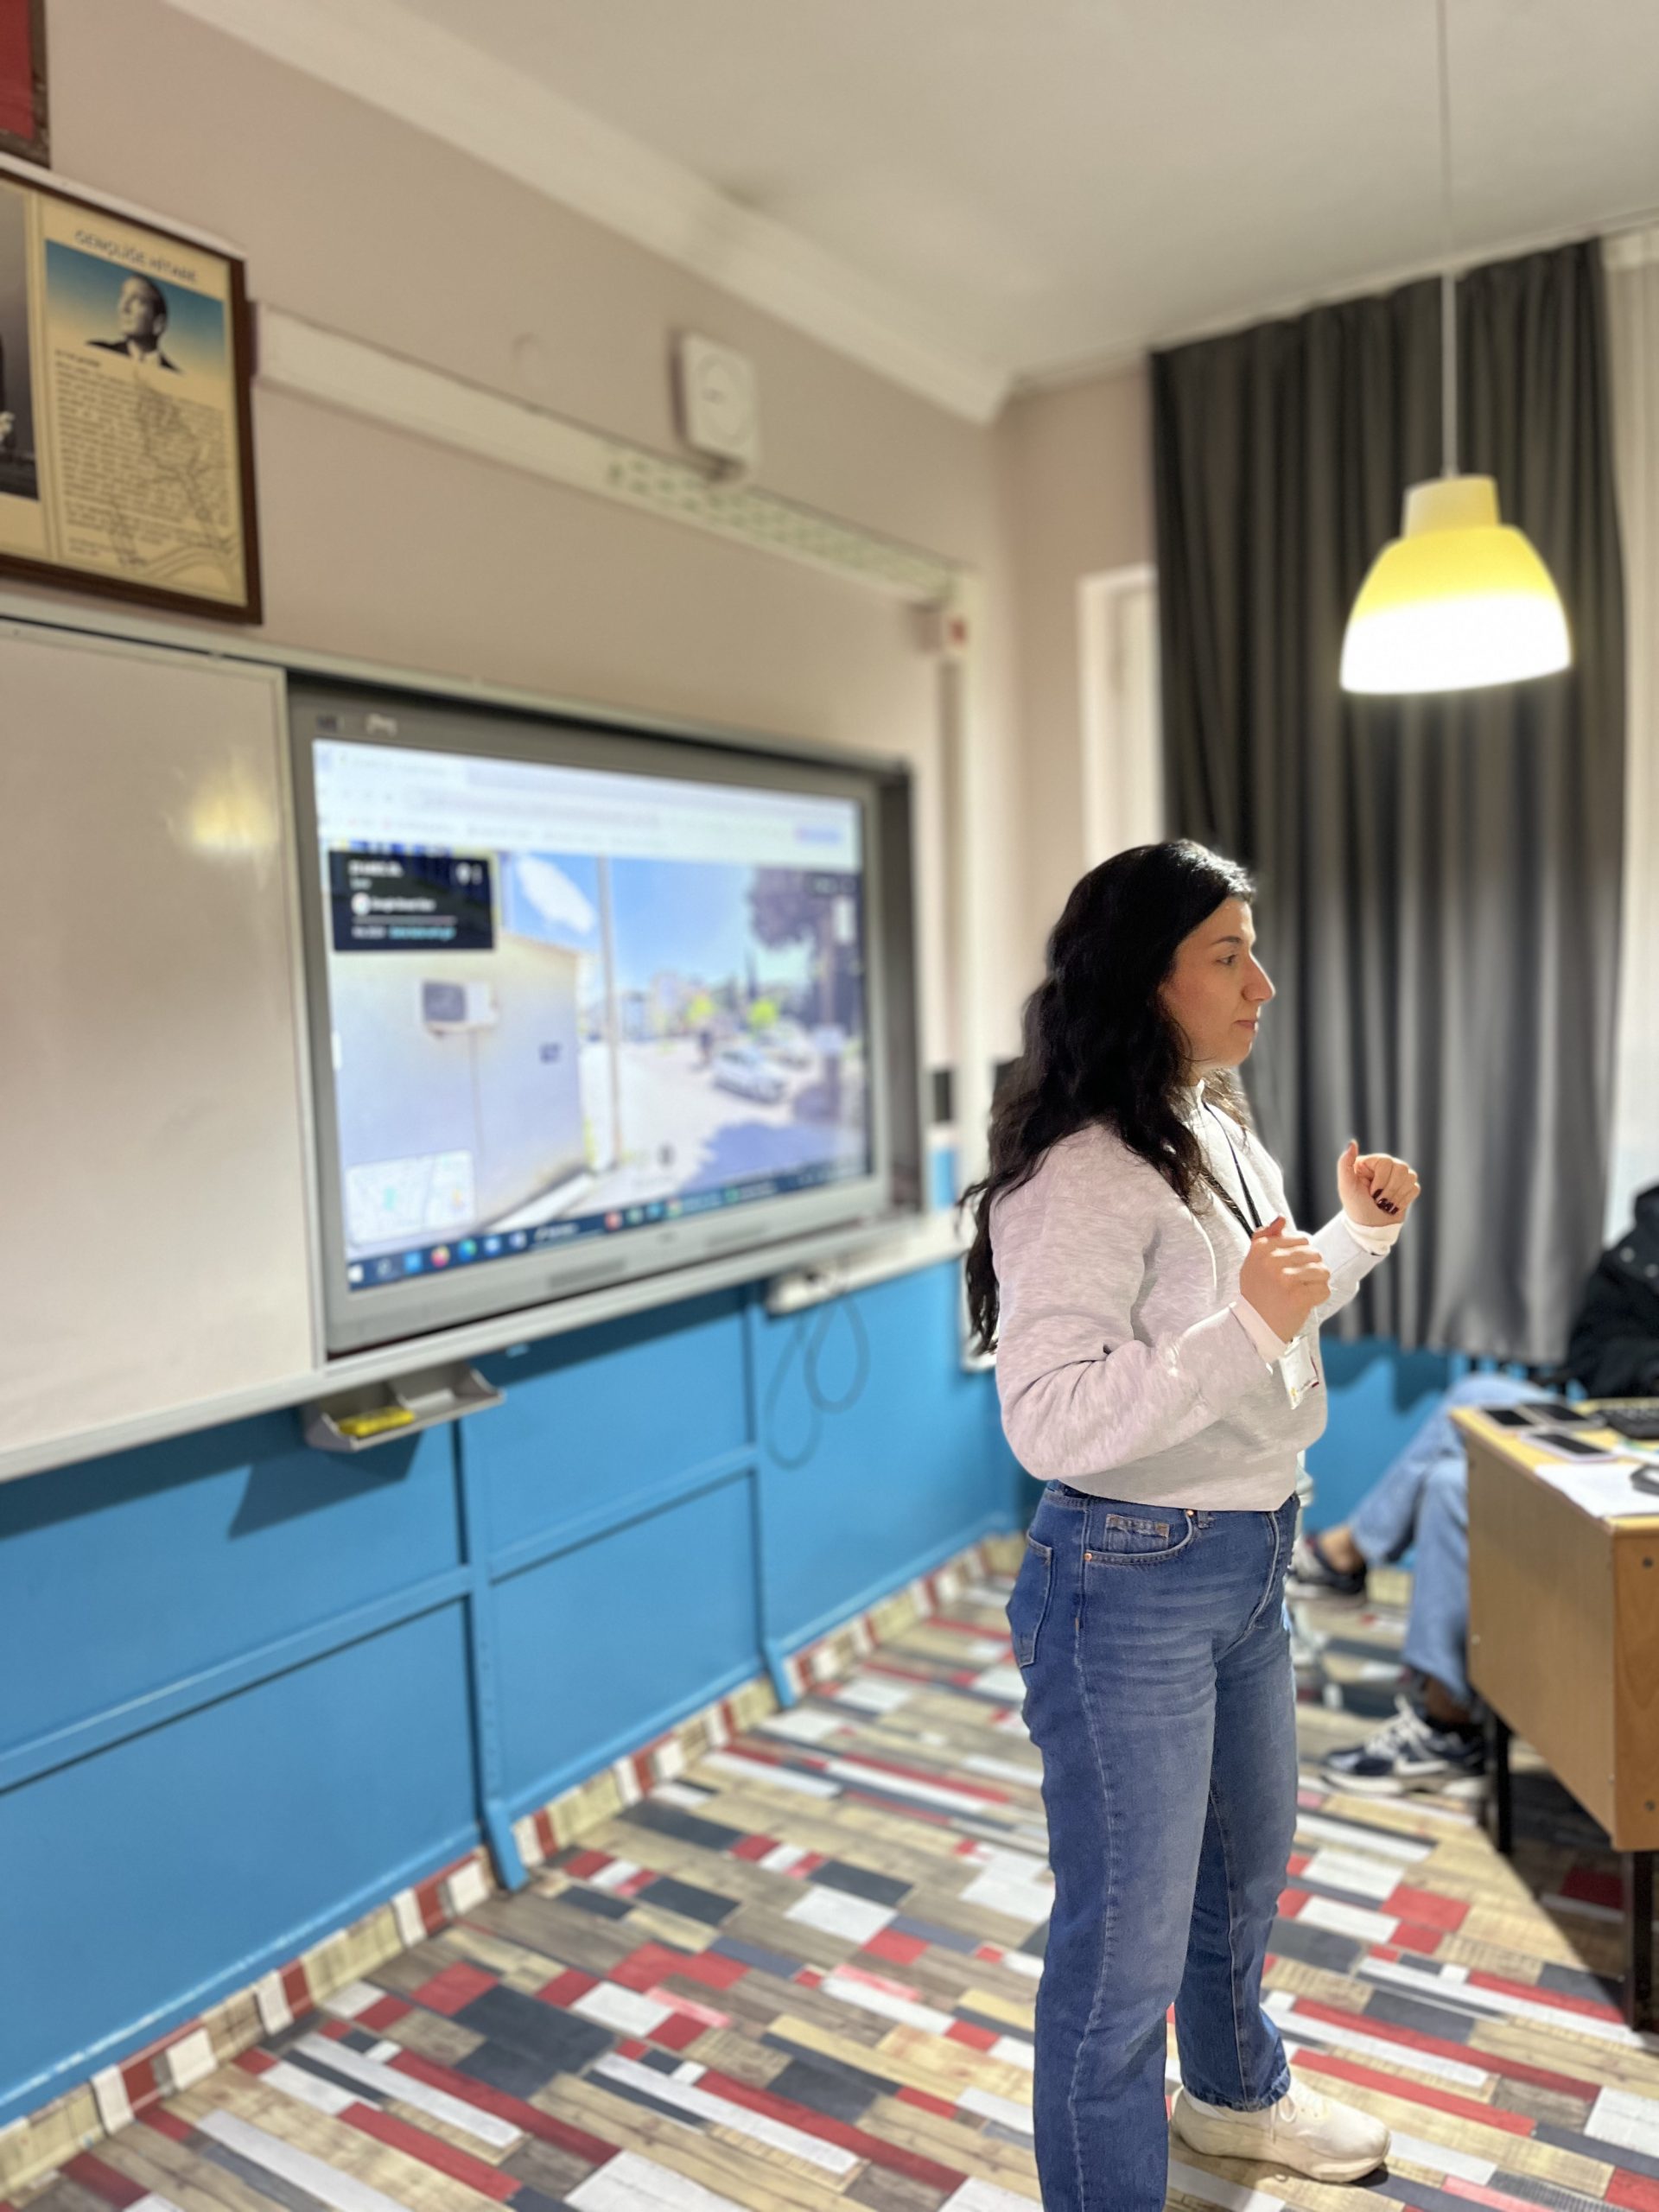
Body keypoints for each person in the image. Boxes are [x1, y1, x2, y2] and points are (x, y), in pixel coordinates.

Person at [964, 841, 1420, 2212]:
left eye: (1253, 951)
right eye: (1228, 955)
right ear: (1140, 978)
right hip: (1128, 1585)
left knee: (1240, 1884)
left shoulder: (1208, 1120)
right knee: (1121, 1961)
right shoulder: (1083, 1170)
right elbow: (1049, 1420)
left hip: (1246, 1559)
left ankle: (1231, 2103)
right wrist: (1253, 1321)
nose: (1262, 984)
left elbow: (1258, 1324)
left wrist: (1353, 1237)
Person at [1296, 1180, 1659, 1794]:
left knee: (1450, 1482)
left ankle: (1441, 1719)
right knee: (1475, 1401)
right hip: (1623, 1420)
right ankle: (1348, 1565)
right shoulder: (1646, 1239)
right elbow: (1595, 1347)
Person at [87, 274, 180, 371]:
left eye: (138, 300)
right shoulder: (95, 351)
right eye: (123, 296)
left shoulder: (175, 374)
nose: (124, 307)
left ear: (159, 323)